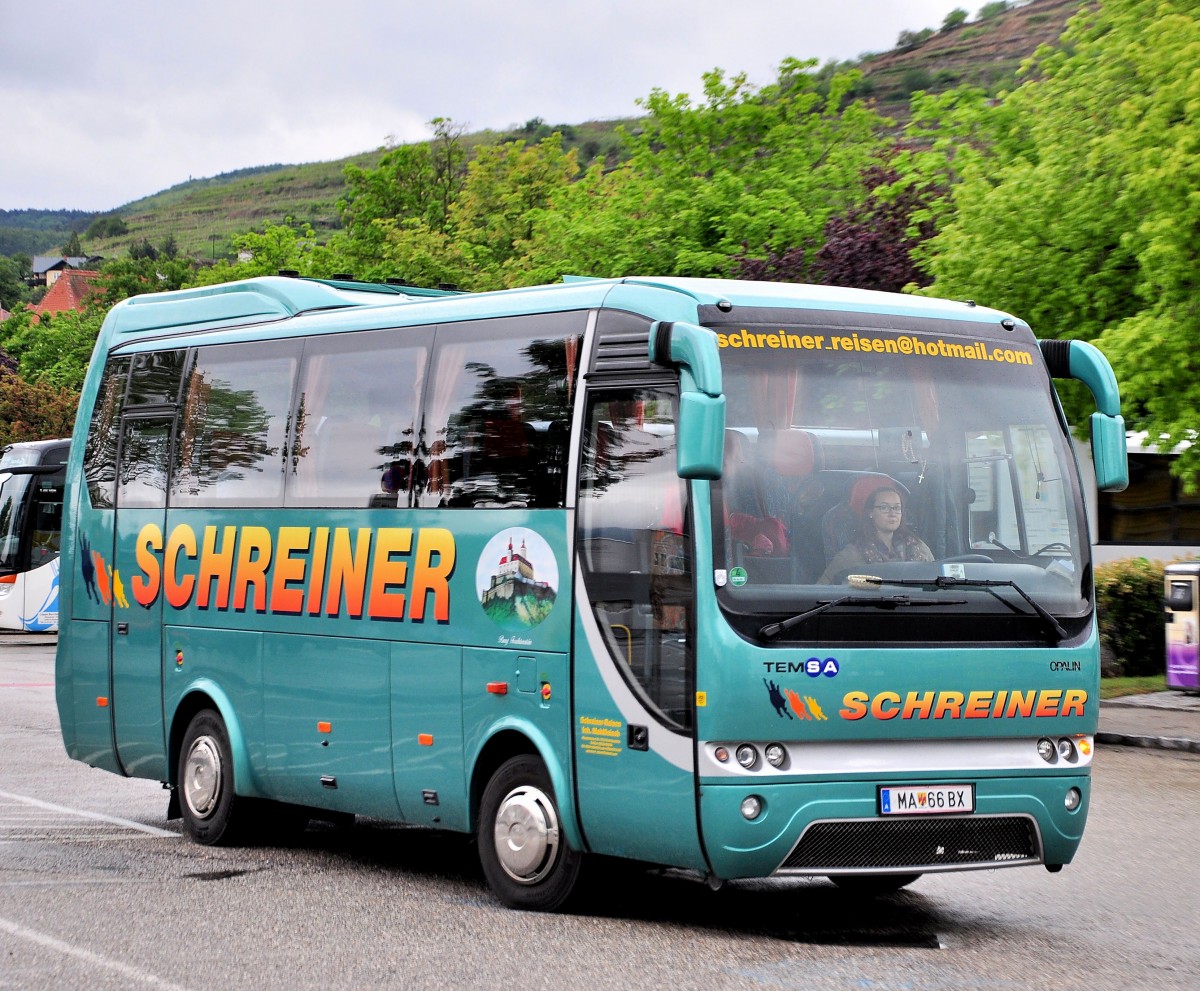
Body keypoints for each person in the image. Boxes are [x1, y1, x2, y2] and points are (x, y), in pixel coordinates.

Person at [818, 485, 933, 583]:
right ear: (870, 512)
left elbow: (938, 582)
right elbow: (820, 593)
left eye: (897, 508)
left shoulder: (918, 547)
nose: (892, 513)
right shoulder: (852, 556)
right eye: (884, 507)